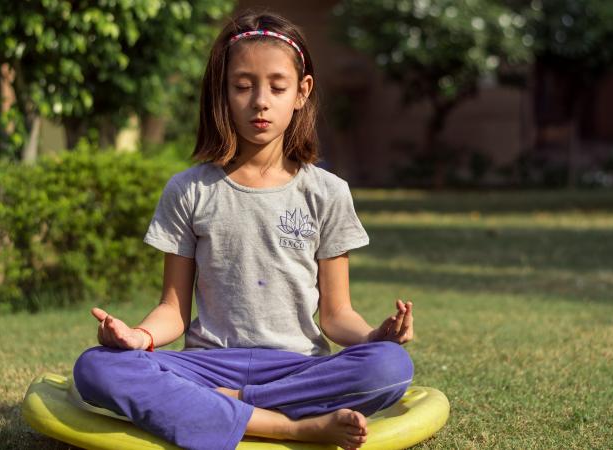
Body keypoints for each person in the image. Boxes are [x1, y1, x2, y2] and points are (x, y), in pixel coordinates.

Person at [72, 8, 415, 450]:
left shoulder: (328, 192)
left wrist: (374, 337)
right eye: (242, 86)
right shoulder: (188, 190)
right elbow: (172, 312)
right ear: (223, 92)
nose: (260, 101)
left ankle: (228, 406)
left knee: (389, 366)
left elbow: (335, 316)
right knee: (98, 367)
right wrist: (137, 337)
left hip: (296, 366)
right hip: (207, 365)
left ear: (302, 92)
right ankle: (291, 427)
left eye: (277, 86)